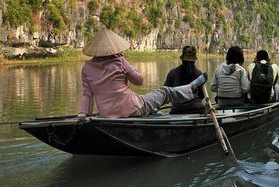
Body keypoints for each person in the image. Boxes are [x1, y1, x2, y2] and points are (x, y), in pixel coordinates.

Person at [77, 28, 207, 119]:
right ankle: (190, 88)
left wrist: (83, 114)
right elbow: (139, 81)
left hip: (106, 114)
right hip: (132, 108)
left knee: (149, 103)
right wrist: (128, 65)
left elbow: (87, 96)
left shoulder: (87, 67)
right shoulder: (120, 61)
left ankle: (152, 110)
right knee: (165, 92)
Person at [164, 45, 205, 114]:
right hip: (196, 108)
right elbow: (202, 95)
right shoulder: (199, 74)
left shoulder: (173, 73)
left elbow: (165, 93)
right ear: (194, 61)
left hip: (177, 109)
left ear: (182, 59)